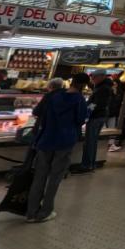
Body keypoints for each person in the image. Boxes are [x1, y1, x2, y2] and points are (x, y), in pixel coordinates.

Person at [25, 73, 88, 223]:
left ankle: (31, 212)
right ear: (84, 85)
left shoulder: (54, 95)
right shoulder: (79, 99)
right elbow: (80, 120)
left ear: (71, 81)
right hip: (64, 141)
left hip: (45, 139)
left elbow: (37, 112)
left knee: (39, 176)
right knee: (55, 178)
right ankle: (46, 211)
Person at [80, 70, 112, 172]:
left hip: (96, 117)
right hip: (99, 116)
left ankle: (87, 165)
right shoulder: (103, 87)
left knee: (90, 141)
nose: (92, 79)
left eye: (94, 77)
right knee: (92, 141)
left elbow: (97, 104)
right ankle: (90, 164)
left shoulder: (103, 88)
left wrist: (87, 111)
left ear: (102, 76)